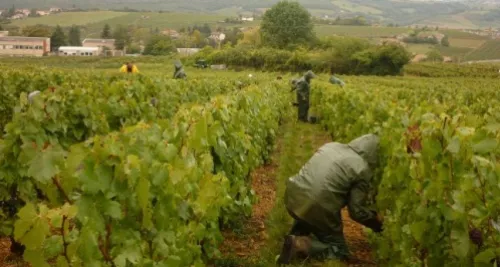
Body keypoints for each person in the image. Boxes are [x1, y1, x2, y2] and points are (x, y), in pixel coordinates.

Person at [277, 134, 383, 265]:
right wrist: (377, 223)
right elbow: (357, 211)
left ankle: (297, 232)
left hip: (293, 196)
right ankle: (299, 244)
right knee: (339, 249)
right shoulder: (362, 169)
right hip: (317, 207)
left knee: (314, 200)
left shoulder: (332, 146)